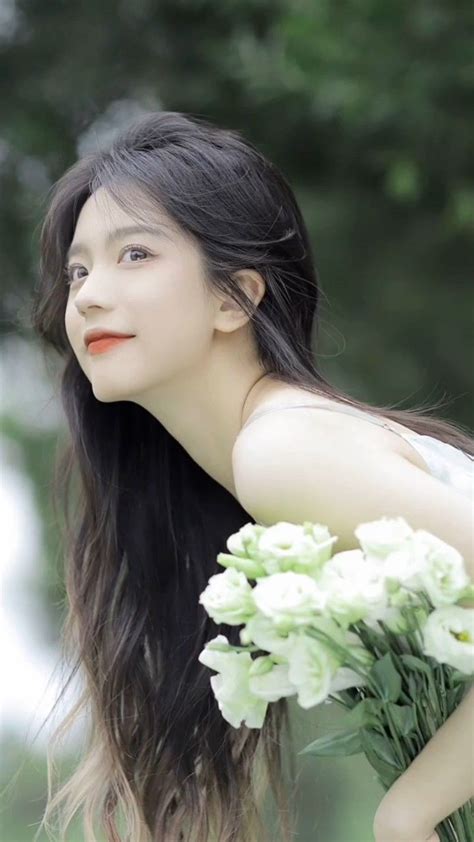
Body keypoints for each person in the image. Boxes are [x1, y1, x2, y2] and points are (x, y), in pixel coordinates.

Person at [29, 111, 473, 842]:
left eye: (134, 254)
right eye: (78, 269)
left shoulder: (282, 451)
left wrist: (410, 811)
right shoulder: (247, 466)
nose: (87, 296)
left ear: (236, 296)